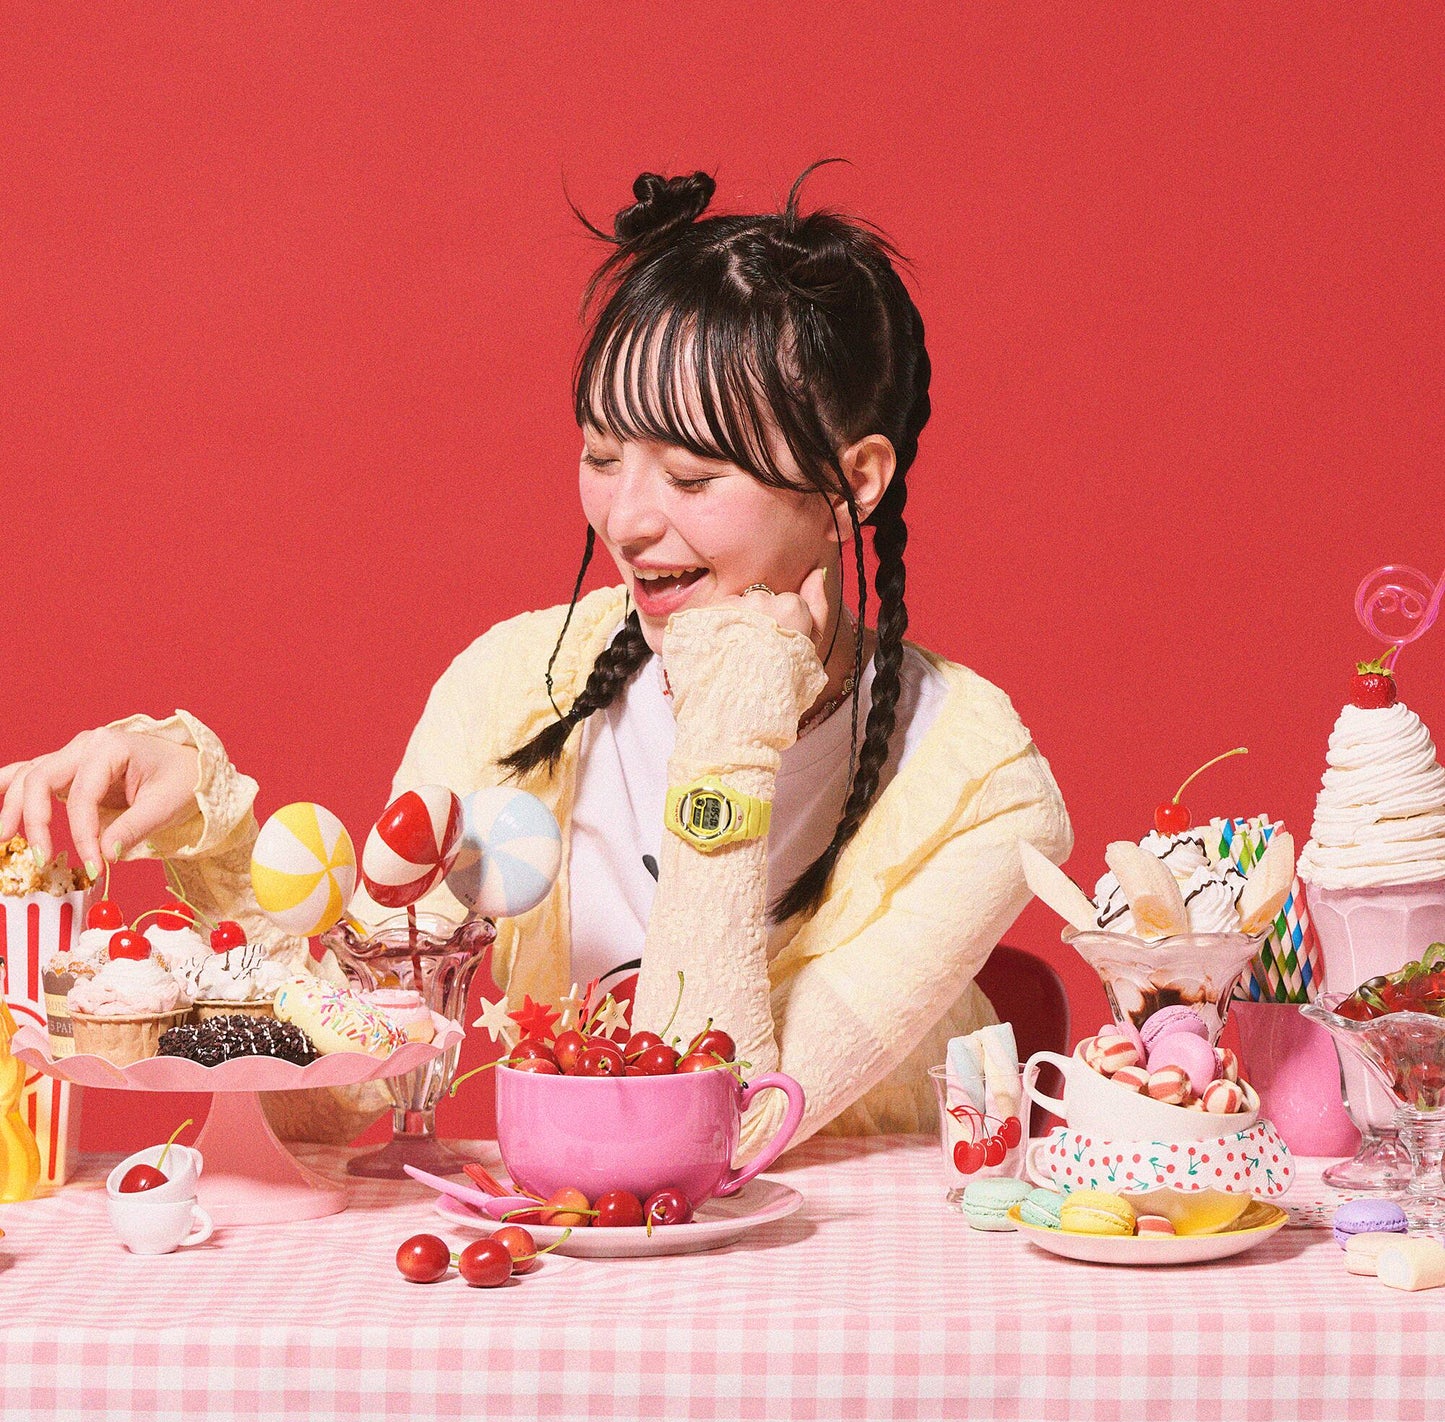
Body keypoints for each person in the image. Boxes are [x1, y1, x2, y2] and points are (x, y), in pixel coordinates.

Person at [0, 167, 1072, 1155]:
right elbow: (333, 1099)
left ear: (856, 479)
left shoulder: (980, 784)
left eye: (693, 478)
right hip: (571, 1270)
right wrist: (214, 833)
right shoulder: (519, 686)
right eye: (601, 456)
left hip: (848, 1284)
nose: (627, 520)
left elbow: (717, 1138)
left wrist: (731, 733)